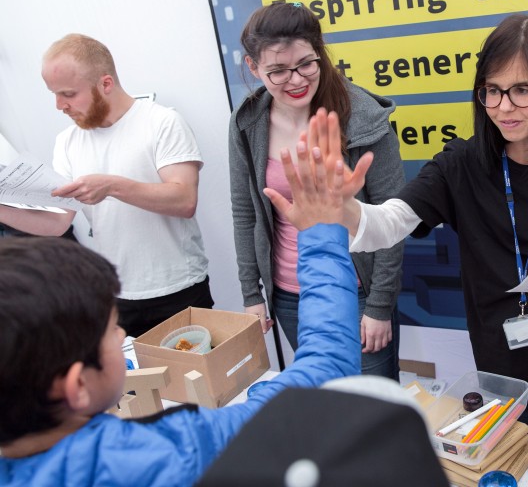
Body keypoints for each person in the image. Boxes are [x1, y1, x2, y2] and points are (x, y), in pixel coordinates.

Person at [269, 13, 528, 439]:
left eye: (522, 90)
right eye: (492, 91)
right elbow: (391, 222)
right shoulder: (463, 164)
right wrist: (346, 211)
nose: (504, 107)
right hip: (511, 376)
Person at [0, 152, 362, 486]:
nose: (123, 332)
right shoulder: (174, 449)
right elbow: (326, 369)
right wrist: (322, 232)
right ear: (77, 387)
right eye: (112, 330)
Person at [229, 1, 405, 379]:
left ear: (320, 53)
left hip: (357, 291)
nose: (295, 80)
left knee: (375, 411)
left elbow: (393, 218)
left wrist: (379, 306)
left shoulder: (364, 116)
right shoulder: (248, 122)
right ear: (253, 67)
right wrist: (251, 294)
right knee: (327, 404)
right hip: (291, 294)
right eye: (277, 70)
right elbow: (245, 211)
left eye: (306, 64)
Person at [0, 33, 212, 337]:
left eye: (69, 94)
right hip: (117, 295)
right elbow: (57, 223)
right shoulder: (68, 141)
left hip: (179, 290)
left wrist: (111, 186)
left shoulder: (162, 122)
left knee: (198, 384)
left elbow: (184, 200)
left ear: (106, 84)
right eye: (54, 94)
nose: (60, 105)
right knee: (132, 386)